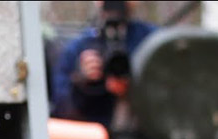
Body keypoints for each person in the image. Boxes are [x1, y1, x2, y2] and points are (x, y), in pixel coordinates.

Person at [50, 0, 157, 130]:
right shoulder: (78, 48)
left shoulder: (154, 42)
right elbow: (61, 109)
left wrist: (134, 88)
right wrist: (82, 82)